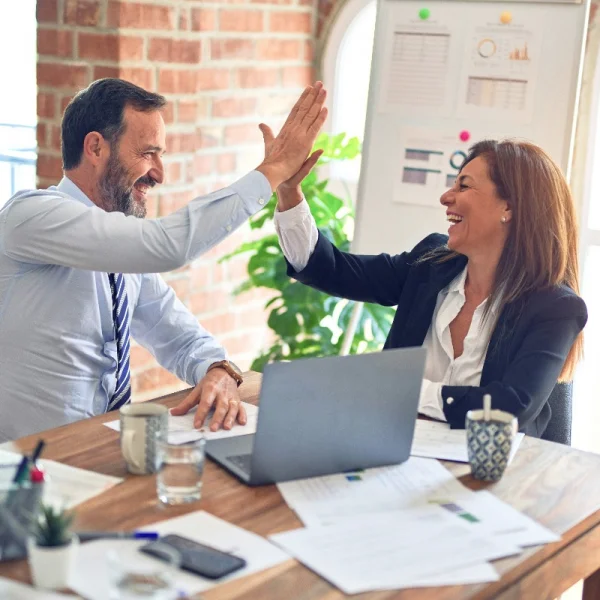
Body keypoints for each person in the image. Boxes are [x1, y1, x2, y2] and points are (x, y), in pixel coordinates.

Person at [0, 77, 327, 443]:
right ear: (95, 147)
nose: (159, 173)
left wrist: (218, 370)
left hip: (97, 453)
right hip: (23, 468)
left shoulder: (120, 251)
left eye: (161, 155)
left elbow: (180, 337)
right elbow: (166, 246)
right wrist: (273, 170)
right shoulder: (31, 216)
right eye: (147, 153)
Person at [273, 139, 587, 437]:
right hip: (396, 452)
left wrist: (403, 389)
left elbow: (508, 409)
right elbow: (332, 270)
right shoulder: (431, 264)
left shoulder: (555, 308)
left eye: (464, 185)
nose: (446, 197)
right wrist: (289, 191)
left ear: (509, 207)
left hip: (494, 476)